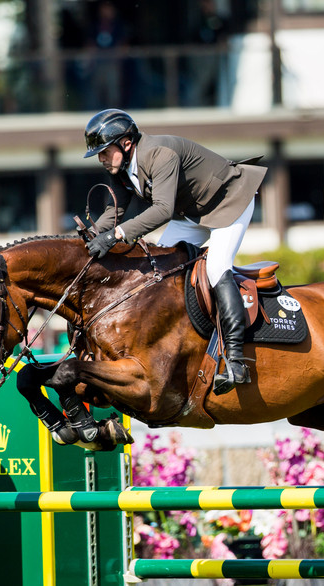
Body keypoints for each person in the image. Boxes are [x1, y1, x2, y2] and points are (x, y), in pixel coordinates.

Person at [83, 108, 266, 394]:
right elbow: (116, 210)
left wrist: (116, 235)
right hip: (192, 214)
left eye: (105, 151)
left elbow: (163, 209)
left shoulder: (160, 154)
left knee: (217, 268)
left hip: (230, 202)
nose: (101, 158)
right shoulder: (124, 169)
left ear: (126, 143)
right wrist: (88, 238)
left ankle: (236, 361)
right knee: (156, 267)